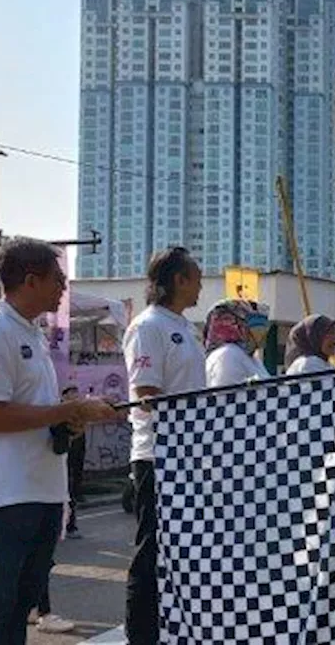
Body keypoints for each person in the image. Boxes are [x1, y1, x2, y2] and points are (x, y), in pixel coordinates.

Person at [0, 237, 117, 645]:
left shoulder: (32, 334)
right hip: (7, 492)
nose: (64, 287)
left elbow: (34, 410)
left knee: (20, 604)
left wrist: (69, 420)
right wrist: (66, 410)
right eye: (57, 278)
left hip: (43, 488)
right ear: (30, 280)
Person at [124, 246, 206, 645]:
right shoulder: (149, 326)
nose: (201, 286)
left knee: (185, 552)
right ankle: (141, 635)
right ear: (178, 280)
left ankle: (175, 629)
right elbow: (146, 393)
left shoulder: (187, 329)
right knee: (151, 553)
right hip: (159, 456)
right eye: (196, 277)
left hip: (192, 457)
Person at [61, 386, 85, 540]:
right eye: (71, 394)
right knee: (66, 494)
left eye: (77, 394)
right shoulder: (60, 415)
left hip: (75, 463)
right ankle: (67, 526)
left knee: (72, 493)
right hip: (62, 463)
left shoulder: (80, 417)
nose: (75, 396)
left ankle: (70, 525)